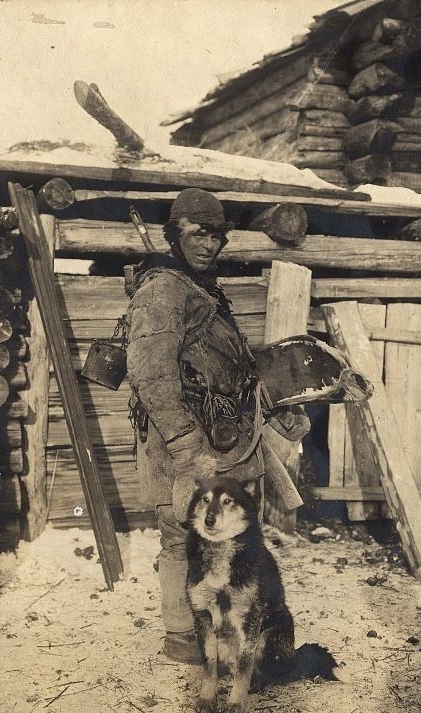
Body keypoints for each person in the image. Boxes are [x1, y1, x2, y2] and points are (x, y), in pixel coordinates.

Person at [125, 188, 309, 664]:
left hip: (223, 443)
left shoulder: (201, 289)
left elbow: (235, 369)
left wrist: (280, 407)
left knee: (227, 538)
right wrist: (187, 446)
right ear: (173, 235)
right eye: (197, 234)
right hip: (182, 447)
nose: (209, 245)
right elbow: (151, 373)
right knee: (180, 535)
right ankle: (184, 640)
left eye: (217, 236)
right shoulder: (162, 289)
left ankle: (225, 634)